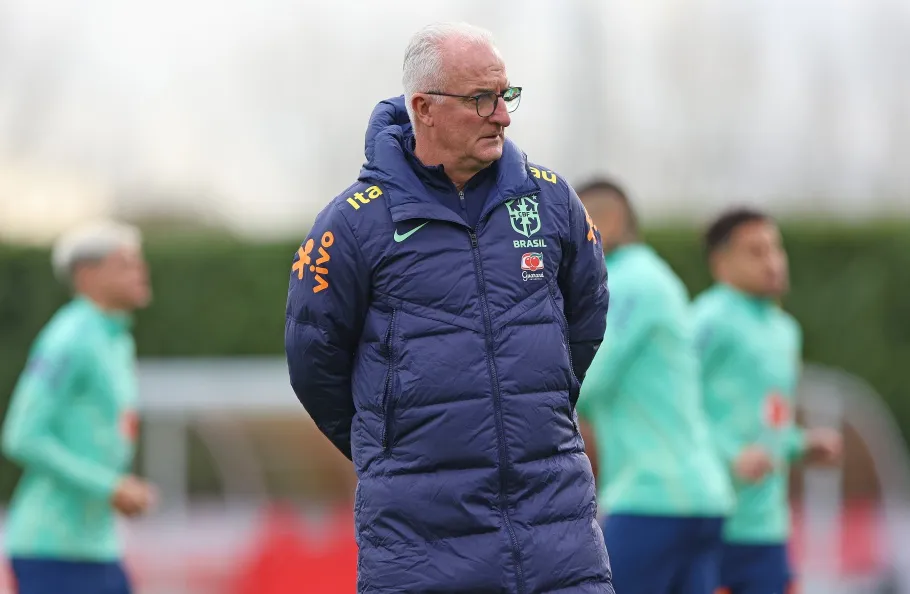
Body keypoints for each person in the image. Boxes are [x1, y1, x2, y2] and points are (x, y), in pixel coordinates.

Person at [285, 22, 613, 594]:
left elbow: (586, 317)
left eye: (505, 95)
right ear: (424, 108)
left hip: (556, 535)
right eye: (481, 99)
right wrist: (390, 445)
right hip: (419, 545)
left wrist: (533, 407)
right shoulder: (353, 222)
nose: (502, 116)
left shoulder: (552, 200)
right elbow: (315, 362)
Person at [575, 179, 734, 594]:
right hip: (700, 498)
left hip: (654, 497)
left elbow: (588, 379)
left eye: (576, 222)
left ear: (608, 221)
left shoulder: (627, 281)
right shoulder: (655, 276)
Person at [692, 208, 843, 594]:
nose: (773, 261)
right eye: (756, 252)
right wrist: (731, 455)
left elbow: (771, 422)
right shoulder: (707, 319)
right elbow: (674, 407)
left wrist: (802, 443)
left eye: (776, 248)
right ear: (721, 264)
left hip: (768, 528)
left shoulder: (785, 330)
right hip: (712, 522)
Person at [2, 220, 156, 594]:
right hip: (52, 551)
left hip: (100, 547)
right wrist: (110, 486)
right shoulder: (69, 337)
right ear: (87, 275)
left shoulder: (117, 339)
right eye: (126, 263)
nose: (141, 272)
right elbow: (21, 435)